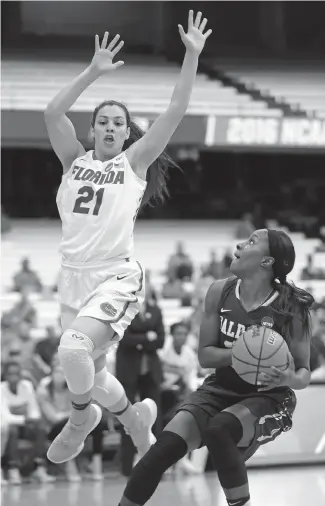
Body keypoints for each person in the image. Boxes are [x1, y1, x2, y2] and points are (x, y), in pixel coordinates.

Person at [44, 10, 211, 465]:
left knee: (73, 350)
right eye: (104, 121)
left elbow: (175, 110)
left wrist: (191, 56)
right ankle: (134, 419)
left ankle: (81, 421)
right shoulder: (71, 160)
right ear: (94, 128)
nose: (112, 128)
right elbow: (52, 112)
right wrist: (92, 73)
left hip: (115, 275)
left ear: (126, 131)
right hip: (71, 277)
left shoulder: (133, 164)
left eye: (119, 122)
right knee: (91, 372)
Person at [117, 229, 313, 506]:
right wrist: (245, 351)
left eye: (251, 242)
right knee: (161, 451)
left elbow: (304, 374)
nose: (239, 245)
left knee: (219, 429)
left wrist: (289, 376)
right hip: (220, 387)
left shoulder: (290, 305)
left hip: (268, 396)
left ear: (267, 262)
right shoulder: (219, 291)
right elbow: (206, 356)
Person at [115, 288, 165, 476]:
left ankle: (157, 463)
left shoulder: (157, 310)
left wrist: (140, 340)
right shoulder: (123, 309)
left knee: (155, 416)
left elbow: (160, 340)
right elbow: (125, 338)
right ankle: (126, 466)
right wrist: (146, 337)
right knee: (127, 416)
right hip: (129, 371)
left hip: (150, 371)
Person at [1, 361, 54, 484]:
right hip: (10, 427)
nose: (13, 376)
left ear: (21, 375)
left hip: (26, 424)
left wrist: (31, 419)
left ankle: (39, 467)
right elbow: (5, 416)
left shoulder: (27, 386)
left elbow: (34, 409)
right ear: (5, 376)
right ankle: (13, 469)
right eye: (10, 374)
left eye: (16, 373)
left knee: (40, 428)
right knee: (12, 430)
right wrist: (24, 419)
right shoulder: (1, 389)